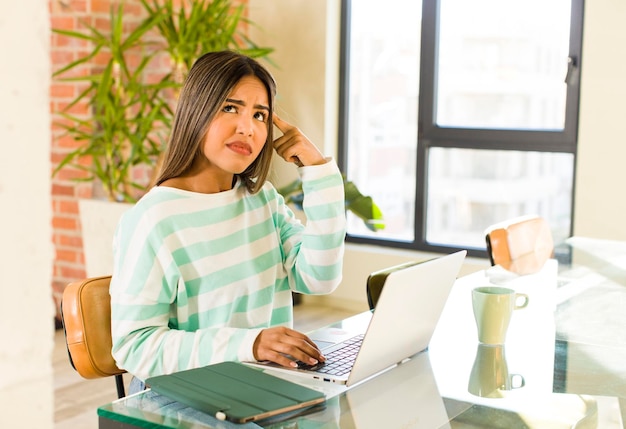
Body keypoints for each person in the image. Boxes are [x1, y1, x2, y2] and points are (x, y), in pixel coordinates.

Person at [109, 50, 346, 391]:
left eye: (260, 115)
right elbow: (136, 347)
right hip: (183, 398)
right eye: (230, 108)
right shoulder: (153, 220)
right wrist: (249, 345)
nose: (247, 128)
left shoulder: (262, 201)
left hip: (259, 388)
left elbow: (319, 278)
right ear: (196, 111)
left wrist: (319, 172)